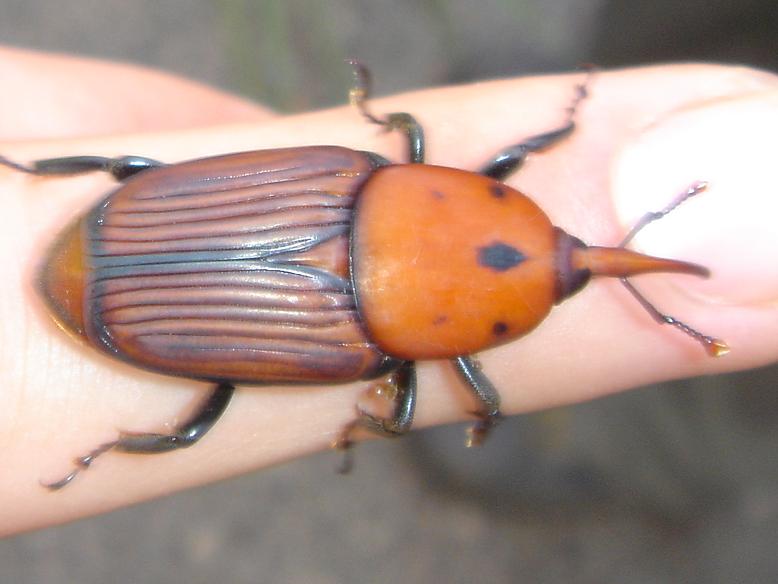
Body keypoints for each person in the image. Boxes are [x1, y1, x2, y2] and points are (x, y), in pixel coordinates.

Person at [1, 46, 775, 535]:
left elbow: (414, 129)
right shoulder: (374, 358)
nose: (588, 252)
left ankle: (27, 174)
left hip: (145, 241)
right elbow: (413, 411)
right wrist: (458, 415)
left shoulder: (362, 174)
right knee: (191, 431)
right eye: (562, 244)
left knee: (124, 165)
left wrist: (383, 114)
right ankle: (104, 440)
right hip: (147, 300)